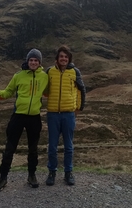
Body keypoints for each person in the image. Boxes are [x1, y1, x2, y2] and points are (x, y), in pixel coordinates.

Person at [0, 48, 48, 193]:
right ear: (27, 61)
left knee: (33, 149)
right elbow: (8, 92)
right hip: (18, 116)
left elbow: (49, 92)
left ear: (39, 62)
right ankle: (2, 178)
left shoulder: (44, 77)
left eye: (36, 60)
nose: (33, 62)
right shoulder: (19, 76)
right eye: (31, 60)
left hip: (34, 117)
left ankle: (32, 176)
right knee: (10, 148)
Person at [45, 45, 86, 186]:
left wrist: (79, 108)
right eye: (61, 56)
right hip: (53, 114)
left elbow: (81, 90)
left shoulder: (75, 72)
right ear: (57, 58)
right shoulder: (49, 71)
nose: (63, 59)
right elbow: (43, 89)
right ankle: (52, 172)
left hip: (68, 114)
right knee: (52, 146)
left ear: (69, 59)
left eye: (66, 57)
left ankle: (68, 173)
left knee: (69, 146)